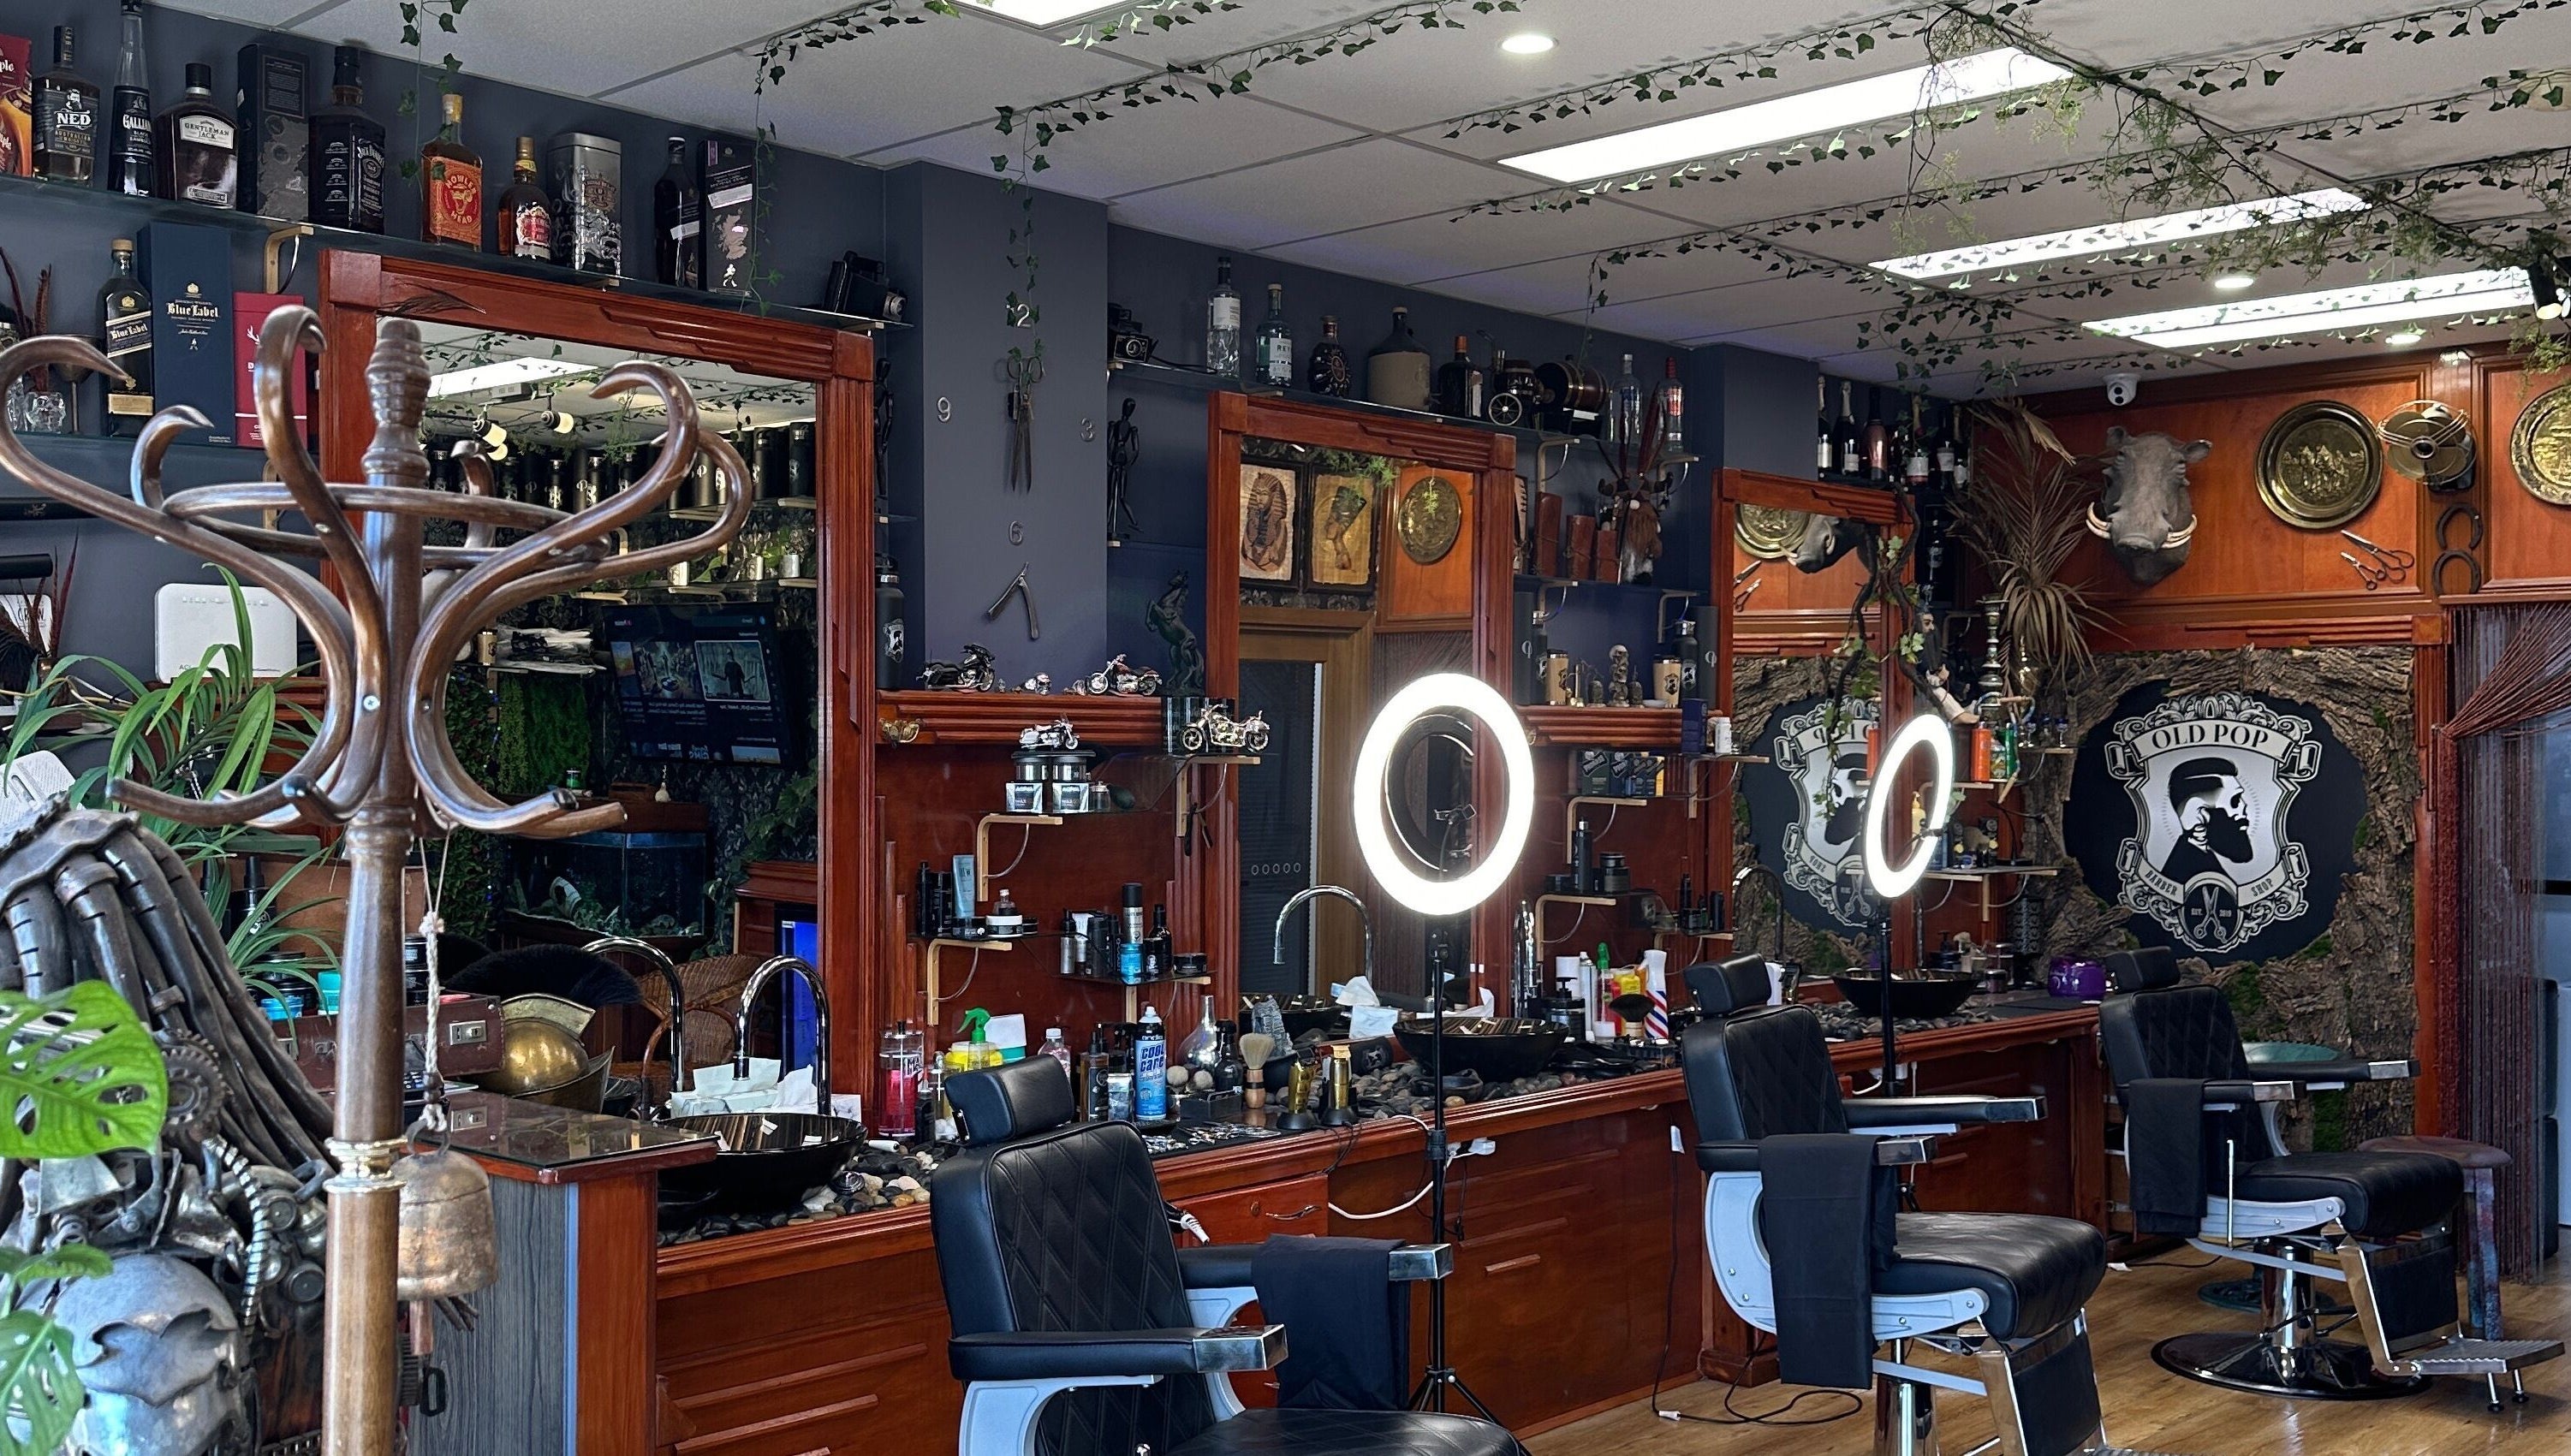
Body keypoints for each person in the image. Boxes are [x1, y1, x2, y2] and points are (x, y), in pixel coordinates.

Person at [2161, 756, 2252, 883]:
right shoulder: (2188, 873)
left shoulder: (2201, 862)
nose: (2244, 806)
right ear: (2197, 813)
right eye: (2235, 800)